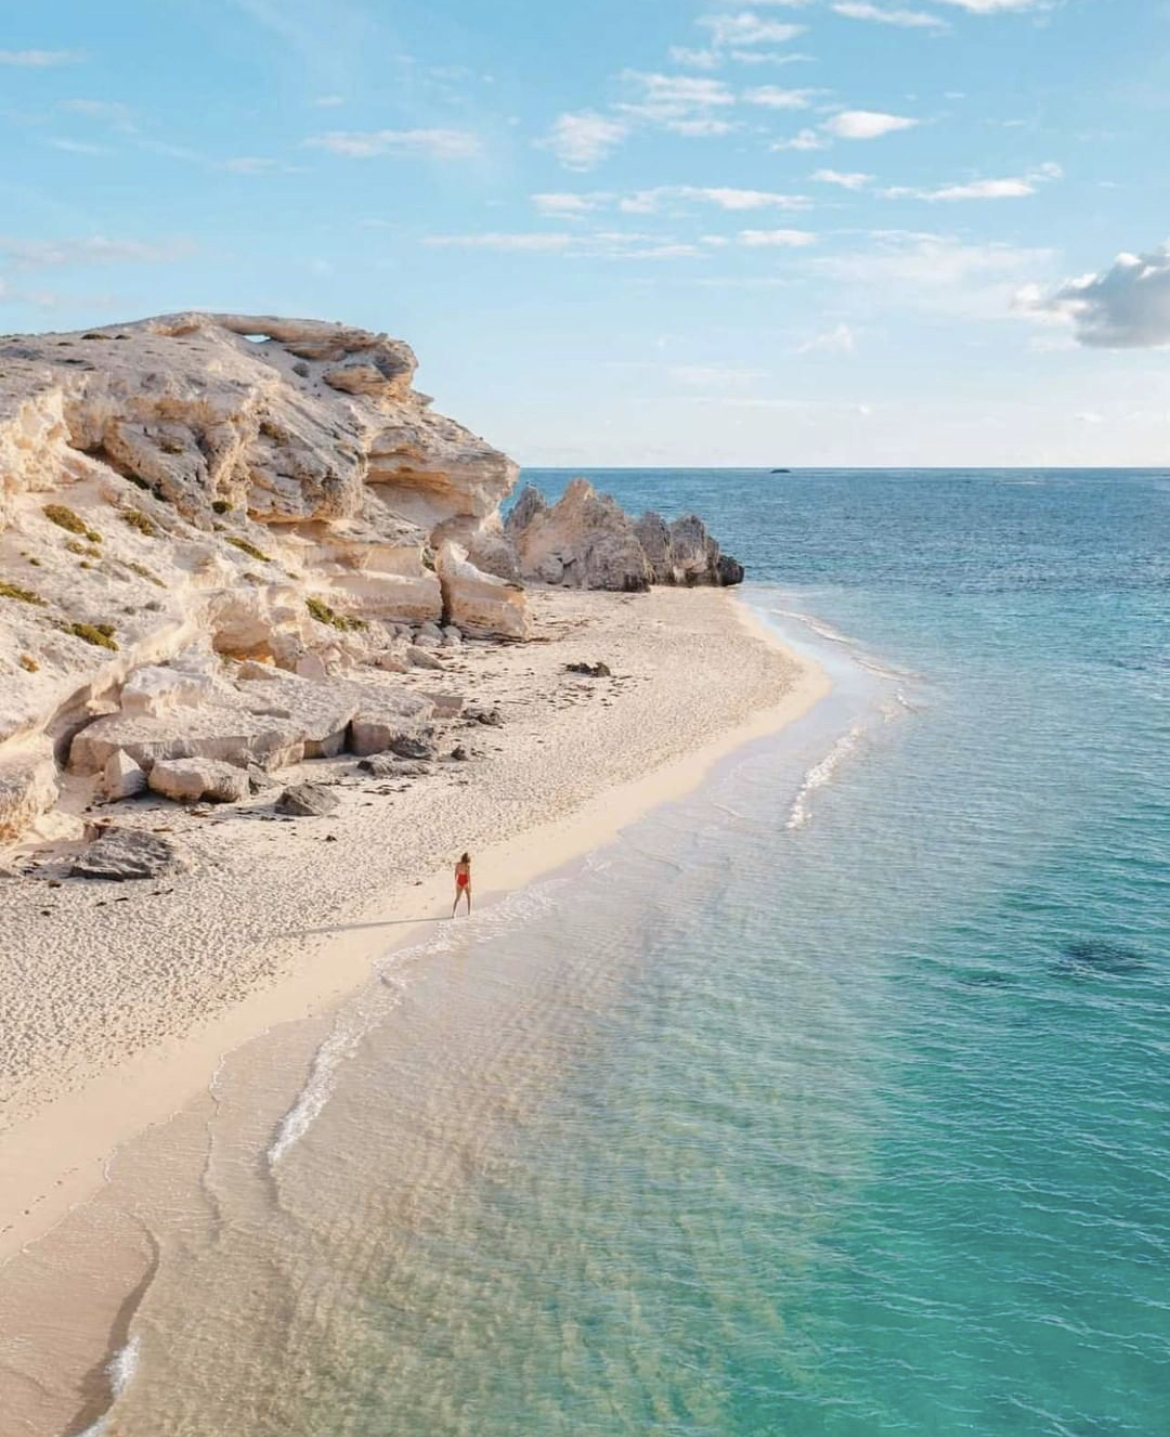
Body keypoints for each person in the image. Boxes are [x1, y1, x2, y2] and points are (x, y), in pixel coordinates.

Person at [452, 852, 472, 917]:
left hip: (459, 881)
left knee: (457, 898)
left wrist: (456, 881)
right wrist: (470, 885)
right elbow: (468, 876)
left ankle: (453, 913)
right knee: (468, 897)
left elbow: (455, 874)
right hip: (465, 881)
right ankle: (469, 912)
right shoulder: (467, 866)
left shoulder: (458, 864)